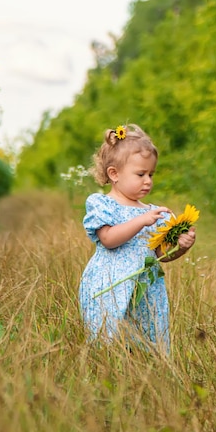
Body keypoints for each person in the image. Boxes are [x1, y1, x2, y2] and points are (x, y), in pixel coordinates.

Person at [78, 123, 196, 353]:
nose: (148, 181)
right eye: (140, 174)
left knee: (147, 344)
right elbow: (108, 239)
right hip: (110, 284)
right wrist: (141, 220)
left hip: (146, 289)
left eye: (151, 174)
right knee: (109, 341)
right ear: (114, 174)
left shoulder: (154, 212)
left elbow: (160, 255)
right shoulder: (102, 204)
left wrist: (181, 247)